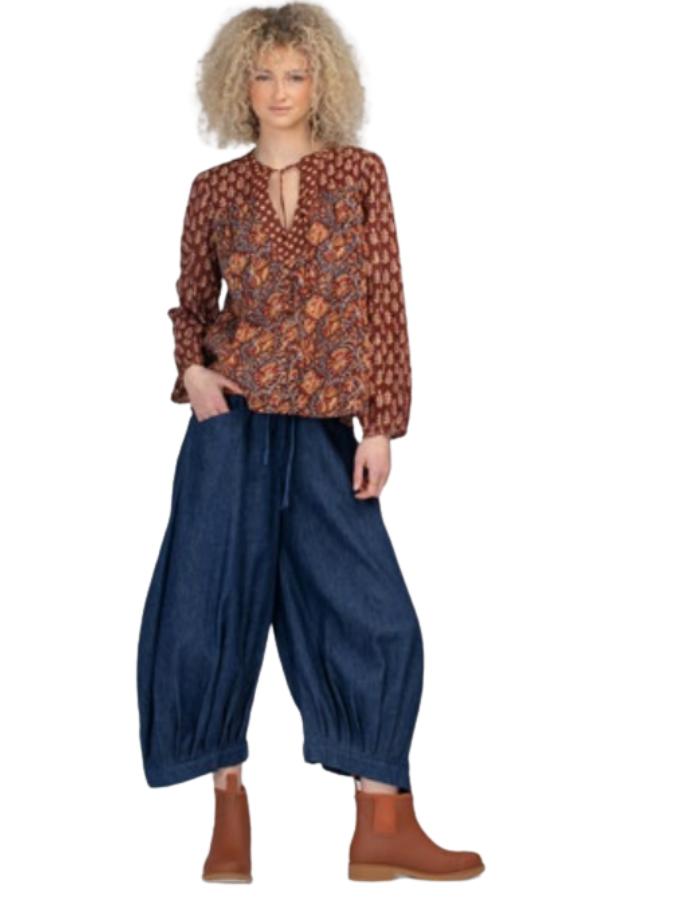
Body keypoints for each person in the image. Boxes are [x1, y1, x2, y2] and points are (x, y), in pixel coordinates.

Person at [136, 2, 485, 884]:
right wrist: (194, 371)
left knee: (374, 613)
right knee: (212, 605)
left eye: (295, 74)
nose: (279, 90)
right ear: (239, 84)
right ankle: (229, 811)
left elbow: (384, 304)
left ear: (322, 82)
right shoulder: (213, 189)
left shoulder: (360, 174)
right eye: (263, 74)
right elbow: (190, 301)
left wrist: (382, 425)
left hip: (328, 426)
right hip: (232, 425)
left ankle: (382, 824)